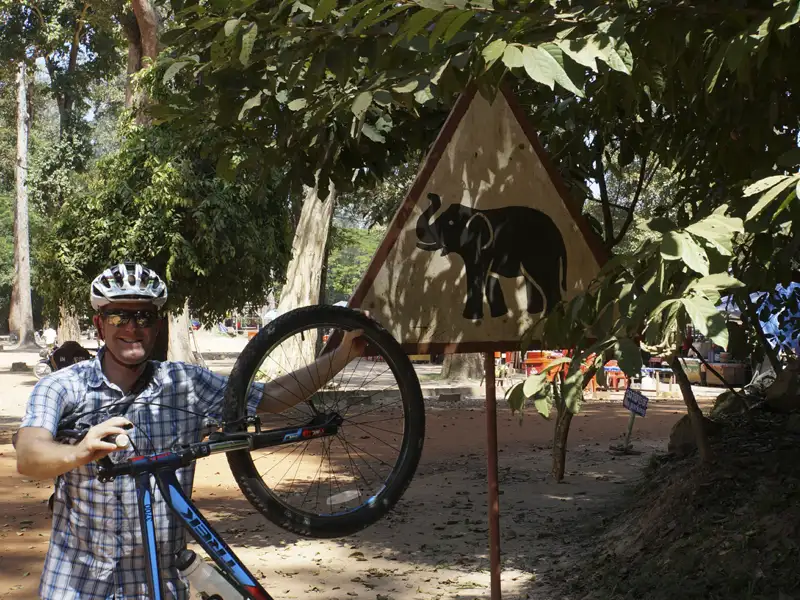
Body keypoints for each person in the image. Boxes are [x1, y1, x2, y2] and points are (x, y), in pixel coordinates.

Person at [14, 263, 365, 600]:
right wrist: (79, 452)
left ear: (158, 324)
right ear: (99, 324)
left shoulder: (184, 382)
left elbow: (271, 397)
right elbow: (30, 455)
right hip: (77, 585)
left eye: (144, 316)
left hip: (161, 584)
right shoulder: (62, 387)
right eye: (119, 315)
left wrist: (343, 354)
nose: (132, 327)